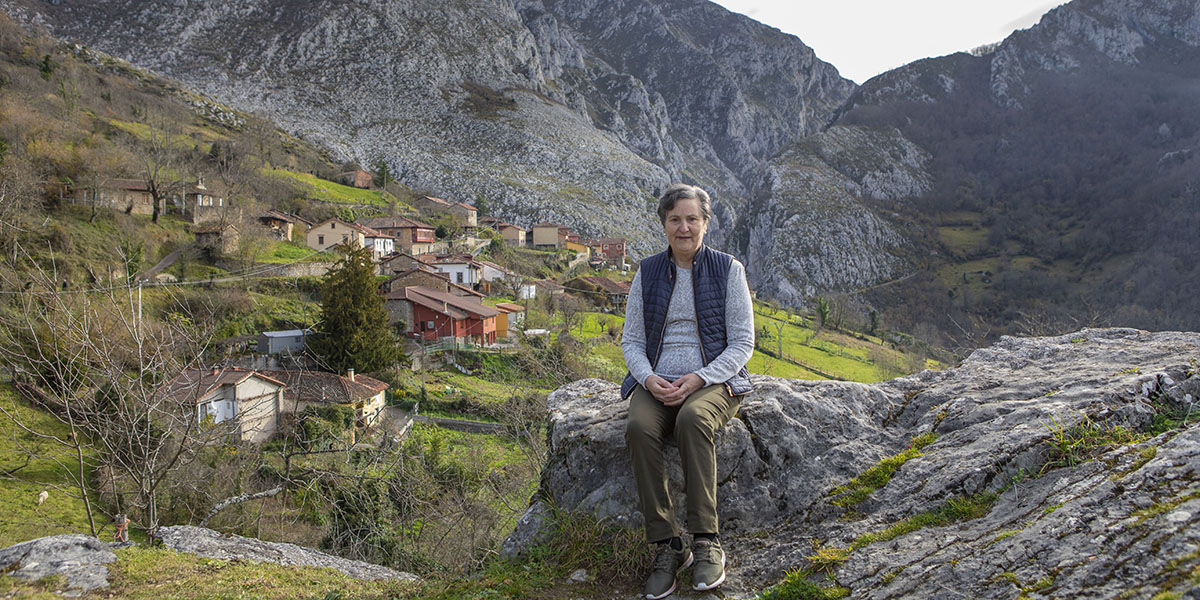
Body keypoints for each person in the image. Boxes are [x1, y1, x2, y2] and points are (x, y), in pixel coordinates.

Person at [622, 183, 754, 598]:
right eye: (675, 219)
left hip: (713, 380)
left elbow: (742, 343)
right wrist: (649, 379)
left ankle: (705, 539)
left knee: (694, 420)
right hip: (658, 380)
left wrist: (699, 378)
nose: (684, 227)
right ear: (664, 225)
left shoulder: (729, 269)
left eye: (692, 218)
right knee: (639, 428)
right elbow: (631, 341)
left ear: (706, 224)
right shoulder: (647, 272)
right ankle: (667, 546)